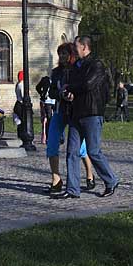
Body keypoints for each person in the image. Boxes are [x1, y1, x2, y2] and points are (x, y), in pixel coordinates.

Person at [61, 36, 119, 199]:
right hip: (76, 113)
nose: (74, 49)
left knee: (93, 152)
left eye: (76, 46)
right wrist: (68, 93)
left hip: (92, 113)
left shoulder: (96, 65)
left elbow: (88, 84)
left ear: (85, 47)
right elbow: (73, 86)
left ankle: (111, 180)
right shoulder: (76, 67)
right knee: (72, 152)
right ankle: (72, 189)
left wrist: (70, 87)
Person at [44, 44, 94, 197]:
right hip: (60, 110)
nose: (63, 57)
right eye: (60, 54)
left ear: (72, 54)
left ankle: (89, 174)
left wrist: (73, 95)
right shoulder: (56, 72)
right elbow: (52, 92)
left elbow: (83, 88)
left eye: (65, 53)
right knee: (52, 142)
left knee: (80, 147)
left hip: (74, 112)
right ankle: (56, 178)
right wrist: (59, 93)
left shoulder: (77, 70)